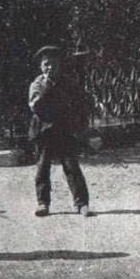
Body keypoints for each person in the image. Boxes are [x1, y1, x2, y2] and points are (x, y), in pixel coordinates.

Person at [28, 45, 92, 217]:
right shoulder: (37, 84)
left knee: (72, 167)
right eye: (46, 64)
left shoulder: (68, 83)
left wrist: (79, 127)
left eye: (54, 64)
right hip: (44, 130)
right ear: (41, 66)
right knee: (42, 167)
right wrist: (47, 87)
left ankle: (82, 203)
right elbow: (36, 106)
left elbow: (79, 104)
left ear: (60, 65)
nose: (50, 68)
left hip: (64, 129)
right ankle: (43, 203)